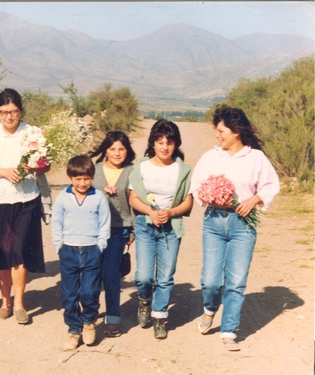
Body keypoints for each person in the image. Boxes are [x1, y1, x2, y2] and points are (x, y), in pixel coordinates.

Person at [190, 105, 280, 351]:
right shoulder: (211, 156)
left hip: (243, 226)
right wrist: (209, 197)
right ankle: (209, 309)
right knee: (210, 281)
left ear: (236, 131)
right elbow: (196, 185)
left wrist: (254, 200)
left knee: (237, 280)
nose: (217, 135)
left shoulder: (256, 158)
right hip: (214, 223)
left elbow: (271, 185)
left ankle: (229, 329)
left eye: (221, 130)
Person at [0, 88, 49, 324]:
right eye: (4, 112)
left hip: (26, 200)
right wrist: (5, 172)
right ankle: (4, 301)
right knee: (2, 254)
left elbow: (45, 166)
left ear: (20, 111)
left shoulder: (32, 133)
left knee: (19, 252)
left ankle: (19, 303)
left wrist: (33, 168)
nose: (9, 117)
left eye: (14, 112)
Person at [128, 119, 193, 339]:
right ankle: (144, 301)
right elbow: (133, 197)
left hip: (171, 229)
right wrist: (149, 211)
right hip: (145, 226)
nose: (165, 146)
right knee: (144, 276)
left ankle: (159, 316)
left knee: (165, 277)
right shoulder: (141, 167)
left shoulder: (182, 170)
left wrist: (171, 212)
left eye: (170, 142)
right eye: (160, 141)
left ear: (176, 144)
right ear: (153, 143)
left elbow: (187, 202)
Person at [52, 155, 111, 350]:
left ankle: (88, 322)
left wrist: (99, 245)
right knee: (69, 293)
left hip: (91, 250)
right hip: (68, 249)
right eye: (78, 179)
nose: (82, 183)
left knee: (89, 291)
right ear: (70, 178)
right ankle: (73, 329)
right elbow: (57, 222)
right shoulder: (63, 197)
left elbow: (104, 224)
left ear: (92, 177)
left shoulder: (99, 197)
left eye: (86, 178)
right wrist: (59, 245)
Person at [89, 131, 136, 337]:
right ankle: (89, 316)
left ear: (127, 151)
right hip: (91, 230)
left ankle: (113, 318)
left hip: (119, 229)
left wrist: (132, 229)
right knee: (91, 274)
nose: (117, 153)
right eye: (112, 149)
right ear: (105, 151)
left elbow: (135, 202)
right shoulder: (94, 170)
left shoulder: (132, 172)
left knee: (111, 275)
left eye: (122, 149)